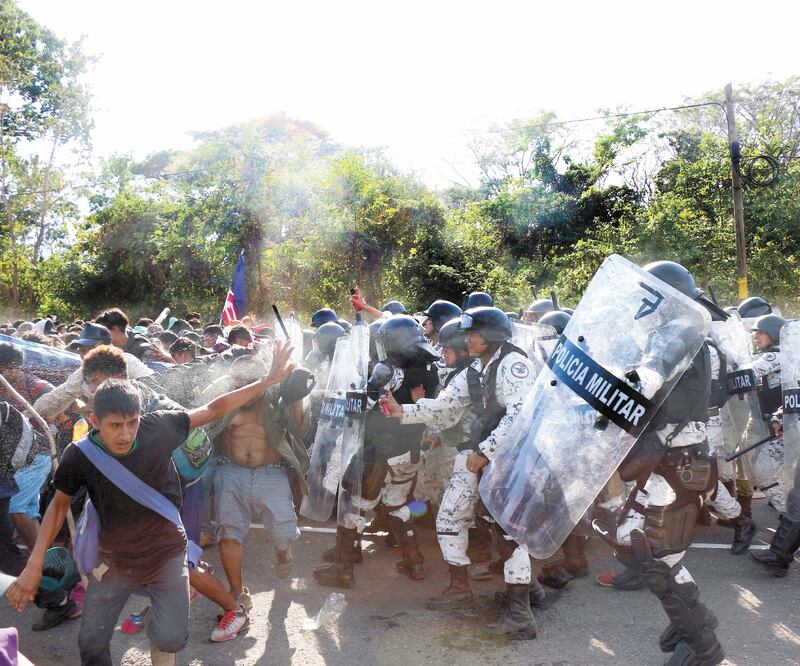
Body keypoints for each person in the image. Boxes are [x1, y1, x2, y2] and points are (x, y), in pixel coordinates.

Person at [5, 340, 296, 666]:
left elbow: (213, 410)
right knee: (91, 644)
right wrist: (33, 564)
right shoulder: (80, 455)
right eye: (116, 425)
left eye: (132, 422)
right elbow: (58, 506)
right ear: (95, 420)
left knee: (169, 637)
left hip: (166, 555)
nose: (126, 433)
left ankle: (176, 611)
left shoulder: (159, 426)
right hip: (112, 563)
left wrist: (268, 380)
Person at [381, 307, 540, 639]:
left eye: (474, 334)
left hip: (511, 458)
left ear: (492, 336)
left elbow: (521, 415)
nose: (468, 340)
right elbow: (446, 405)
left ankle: (520, 613)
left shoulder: (513, 364)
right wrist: (403, 411)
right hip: (486, 456)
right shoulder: (479, 369)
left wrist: (484, 452)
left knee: (509, 532)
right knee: (460, 520)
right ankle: (470, 590)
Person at [205, 354, 310, 612]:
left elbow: (300, 431)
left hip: (271, 472)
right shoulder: (225, 396)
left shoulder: (278, 395)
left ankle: (283, 551)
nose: (244, 388)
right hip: (229, 470)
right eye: (239, 382)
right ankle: (237, 592)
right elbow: (202, 420)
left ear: (263, 380)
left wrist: (298, 398)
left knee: (283, 531)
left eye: (251, 382)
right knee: (228, 533)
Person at [94, 308, 169, 363]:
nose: (99, 335)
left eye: (101, 331)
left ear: (115, 329)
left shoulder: (143, 350)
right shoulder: (106, 347)